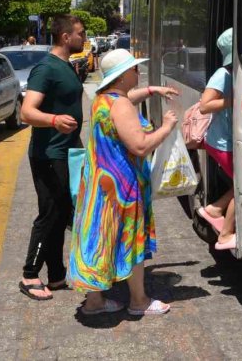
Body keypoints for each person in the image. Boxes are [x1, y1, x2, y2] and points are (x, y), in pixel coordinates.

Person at [68, 48, 179, 316]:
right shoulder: (121, 106)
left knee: (99, 236)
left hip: (99, 183)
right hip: (123, 188)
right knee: (131, 240)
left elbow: (127, 97)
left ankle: (94, 302)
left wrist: (152, 90)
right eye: (133, 70)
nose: (137, 72)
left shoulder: (102, 100)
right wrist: (166, 127)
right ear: (121, 76)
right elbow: (140, 146)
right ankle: (139, 301)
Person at [17, 15, 87, 301]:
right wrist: (55, 119)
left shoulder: (65, 65)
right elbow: (27, 112)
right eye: (81, 33)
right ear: (65, 37)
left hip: (66, 151)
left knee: (61, 213)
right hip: (49, 154)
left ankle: (56, 274)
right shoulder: (46, 68)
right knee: (50, 213)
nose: (85, 38)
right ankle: (29, 274)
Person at [196, 28, 236, 250]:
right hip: (222, 143)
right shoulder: (223, 74)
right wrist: (231, 100)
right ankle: (225, 235)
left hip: (226, 141)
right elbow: (205, 106)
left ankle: (214, 210)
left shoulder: (235, 72)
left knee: (241, 184)